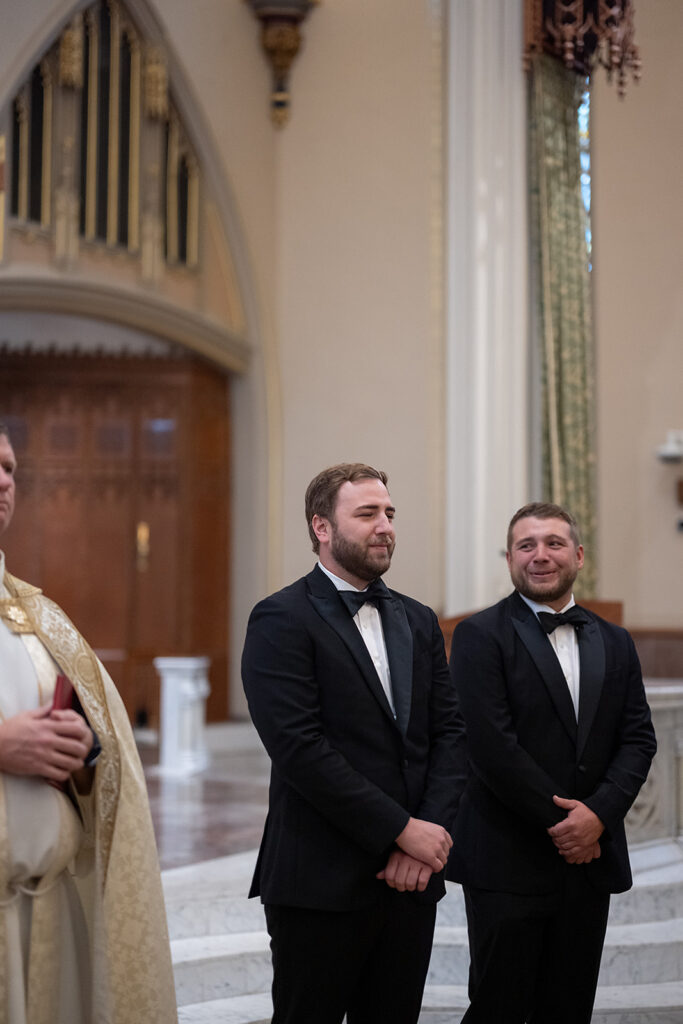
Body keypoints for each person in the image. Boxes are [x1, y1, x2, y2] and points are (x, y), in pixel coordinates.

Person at [242, 462, 465, 1024]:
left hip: (410, 882)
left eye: (389, 513)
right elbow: (300, 749)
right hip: (319, 879)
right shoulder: (280, 617)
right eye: (366, 513)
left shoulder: (417, 619)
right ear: (322, 527)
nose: (384, 525)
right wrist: (401, 830)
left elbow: (450, 736)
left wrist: (424, 838)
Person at [447, 501, 657, 1024]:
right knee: (498, 1006)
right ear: (511, 558)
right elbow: (491, 747)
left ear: (579, 555)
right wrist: (566, 824)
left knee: (569, 1008)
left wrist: (598, 816)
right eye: (526, 545)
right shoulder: (479, 635)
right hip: (507, 856)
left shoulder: (615, 640)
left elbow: (638, 740)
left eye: (554, 544)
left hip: (589, 862)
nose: (540, 556)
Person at [0, 422, 178, 1024]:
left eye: (10, 469)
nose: (3, 482)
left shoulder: (37, 615)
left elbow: (96, 761)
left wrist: (79, 757)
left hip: (43, 914)